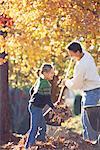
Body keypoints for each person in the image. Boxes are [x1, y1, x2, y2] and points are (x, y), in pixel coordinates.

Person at [63, 42, 100, 144]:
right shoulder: (87, 55)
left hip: (92, 92)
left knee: (89, 121)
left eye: (72, 54)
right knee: (84, 119)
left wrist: (66, 82)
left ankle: (92, 142)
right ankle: (87, 142)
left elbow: (76, 85)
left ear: (78, 52)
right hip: (91, 90)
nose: (71, 57)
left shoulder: (81, 66)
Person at [25, 64, 58, 149]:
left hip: (33, 106)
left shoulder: (39, 80)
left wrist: (33, 99)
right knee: (34, 127)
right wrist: (54, 108)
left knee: (43, 126)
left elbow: (31, 90)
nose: (53, 75)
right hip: (36, 108)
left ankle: (40, 141)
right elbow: (47, 99)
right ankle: (28, 146)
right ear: (45, 73)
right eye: (51, 73)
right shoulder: (46, 84)